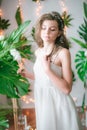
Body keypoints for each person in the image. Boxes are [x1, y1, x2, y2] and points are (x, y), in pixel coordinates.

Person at [19, 11, 82, 130]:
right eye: (44, 28)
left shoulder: (63, 53)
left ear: (58, 33)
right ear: (40, 30)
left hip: (59, 104)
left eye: (52, 29)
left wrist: (48, 70)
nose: (47, 32)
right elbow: (45, 80)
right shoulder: (38, 51)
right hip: (43, 102)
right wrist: (27, 75)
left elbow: (67, 89)